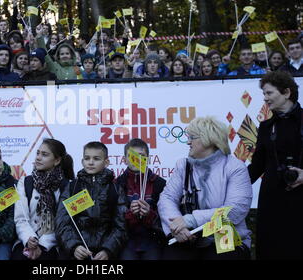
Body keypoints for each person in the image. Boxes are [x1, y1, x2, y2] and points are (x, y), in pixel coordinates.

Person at [158, 116, 253, 260]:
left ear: (208, 139)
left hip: (224, 235)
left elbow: (235, 209)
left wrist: (191, 220)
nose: (188, 142)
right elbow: (167, 198)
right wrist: (177, 226)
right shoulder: (183, 165)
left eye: (192, 137)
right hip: (189, 237)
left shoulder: (235, 167)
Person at [248, 71, 303, 259]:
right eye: (264, 94)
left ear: (286, 92)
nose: (265, 98)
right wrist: (230, 184)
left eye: (269, 93)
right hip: (272, 199)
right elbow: (256, 167)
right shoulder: (266, 126)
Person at [56, 142, 127, 260]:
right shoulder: (72, 187)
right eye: (87, 158)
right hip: (77, 252)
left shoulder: (115, 189)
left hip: (105, 253)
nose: (90, 162)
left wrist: (108, 250)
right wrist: (74, 246)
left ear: (106, 162)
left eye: (96, 158)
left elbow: (121, 226)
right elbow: (62, 222)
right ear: (82, 161)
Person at [12, 139, 74, 260]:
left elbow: (63, 223)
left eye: (44, 155)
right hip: (26, 241)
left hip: (53, 244)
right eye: (38, 153)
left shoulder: (67, 186)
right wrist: (30, 239)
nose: (38, 158)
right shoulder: (25, 182)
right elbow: (21, 218)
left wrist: (42, 244)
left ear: (57, 160)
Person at [115, 139, 166, 260]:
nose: (136, 159)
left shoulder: (160, 183)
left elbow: (166, 219)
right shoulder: (117, 184)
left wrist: (149, 214)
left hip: (152, 240)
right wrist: (129, 214)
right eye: (132, 156)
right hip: (126, 241)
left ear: (148, 159)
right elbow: (113, 218)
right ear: (124, 160)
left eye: (141, 156)